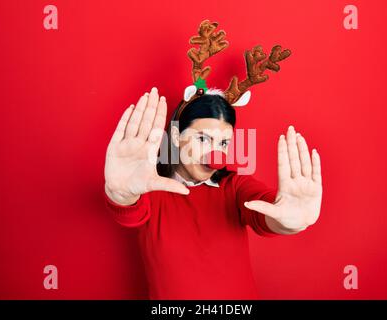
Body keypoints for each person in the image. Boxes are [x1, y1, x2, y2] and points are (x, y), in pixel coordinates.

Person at [103, 87, 323, 299]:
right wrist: (120, 194)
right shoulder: (148, 189)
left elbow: (266, 212)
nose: (215, 154)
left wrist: (288, 221)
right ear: (177, 136)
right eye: (202, 139)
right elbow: (129, 210)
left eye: (224, 143)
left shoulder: (235, 188)